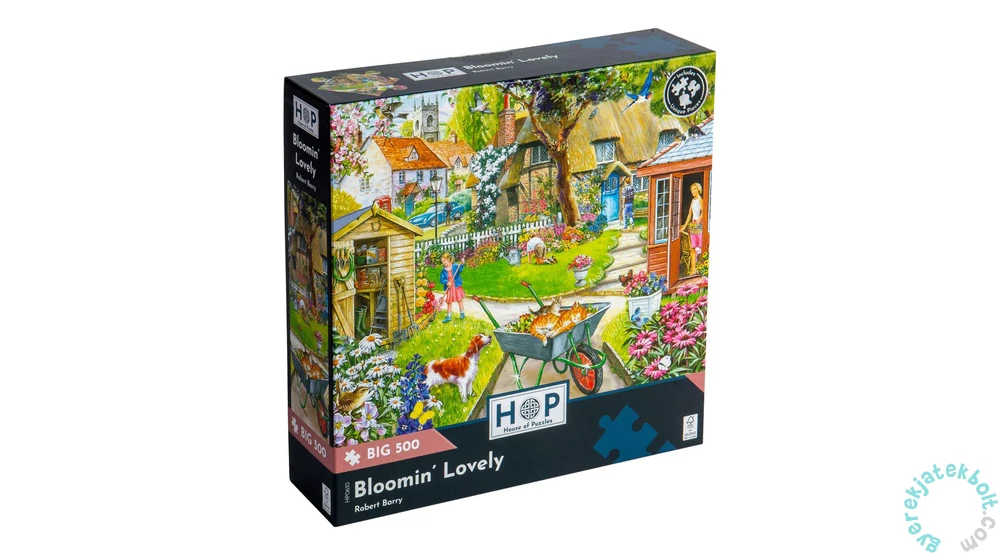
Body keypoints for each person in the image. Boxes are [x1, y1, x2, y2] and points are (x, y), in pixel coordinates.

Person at [683, 182, 705, 268]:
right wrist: (685, 226)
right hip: (693, 223)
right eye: (692, 190)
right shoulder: (693, 200)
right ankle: (693, 268)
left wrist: (698, 220)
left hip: (699, 224)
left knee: (699, 246)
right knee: (693, 246)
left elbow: (703, 212)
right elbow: (689, 214)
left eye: (695, 189)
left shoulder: (700, 200)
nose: (693, 191)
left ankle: (699, 266)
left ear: (698, 190)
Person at [439, 252, 466, 323]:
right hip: (450, 288)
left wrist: (462, 263)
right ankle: (448, 316)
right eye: (442, 261)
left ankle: (462, 314)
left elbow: (460, 270)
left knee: (459, 299)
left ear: (449, 259)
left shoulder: (455, 266)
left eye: (444, 260)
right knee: (449, 302)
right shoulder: (443, 271)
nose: (443, 262)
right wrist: (446, 282)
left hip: (456, 286)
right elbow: (442, 280)